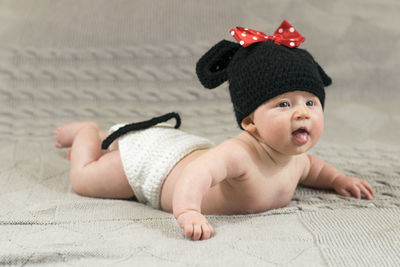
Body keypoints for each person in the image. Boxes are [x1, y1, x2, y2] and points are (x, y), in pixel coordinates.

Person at [54, 21, 375, 241]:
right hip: (153, 166)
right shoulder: (239, 154)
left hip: (184, 149)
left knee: (100, 163)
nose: (302, 112)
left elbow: (314, 168)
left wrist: (338, 180)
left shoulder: (296, 159)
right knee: (86, 178)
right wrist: (188, 210)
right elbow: (197, 175)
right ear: (250, 123)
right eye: (284, 105)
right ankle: (86, 133)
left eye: (311, 102)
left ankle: (99, 146)